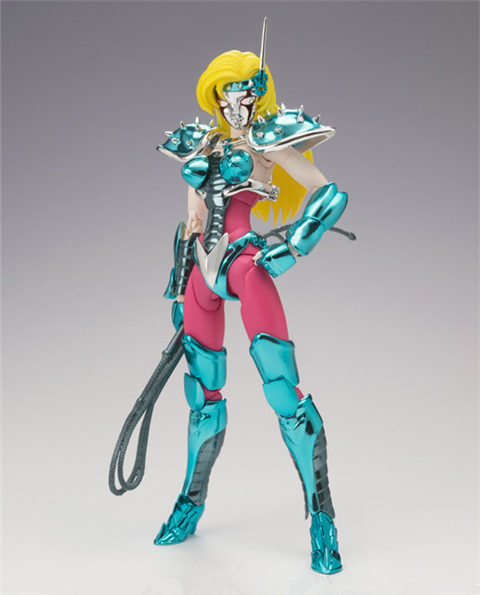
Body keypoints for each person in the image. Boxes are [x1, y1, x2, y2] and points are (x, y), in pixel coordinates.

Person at [154, 20, 348, 575]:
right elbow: (193, 220)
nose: (233, 103)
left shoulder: (266, 141)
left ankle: (322, 520)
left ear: (257, 93)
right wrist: (179, 283)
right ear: (213, 97)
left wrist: (289, 247)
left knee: (284, 392)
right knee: (202, 396)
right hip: (202, 274)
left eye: (242, 92)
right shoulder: (204, 144)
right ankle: (190, 503)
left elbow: (328, 194)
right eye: (224, 94)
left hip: (247, 264)